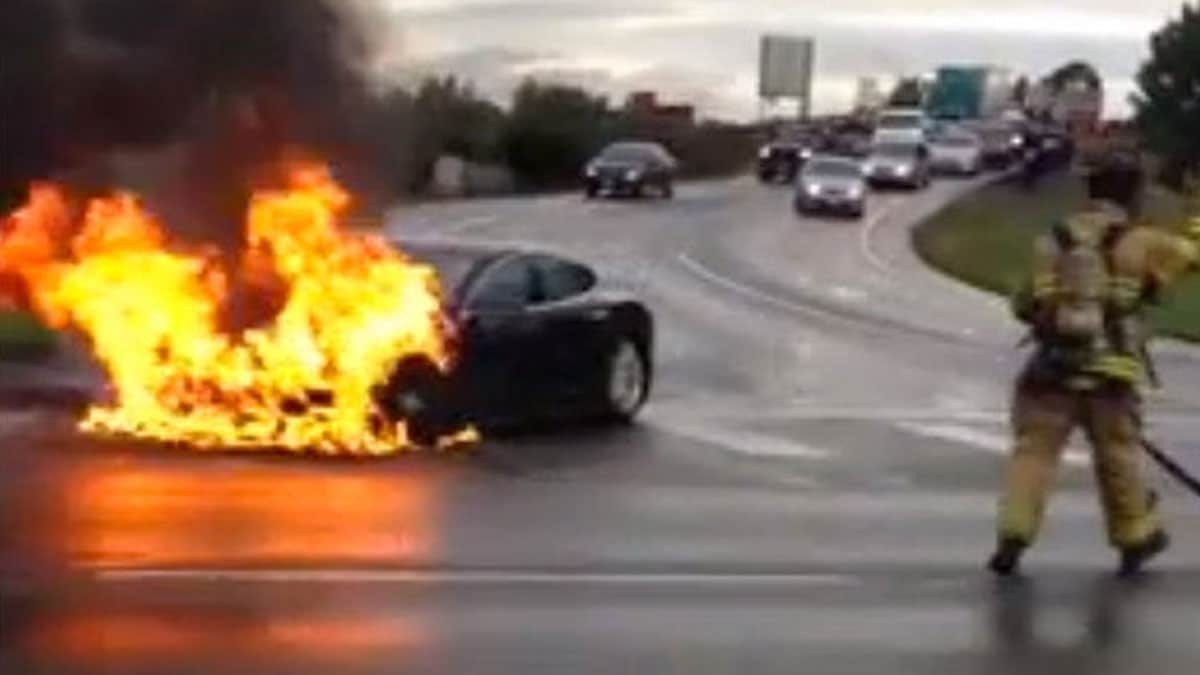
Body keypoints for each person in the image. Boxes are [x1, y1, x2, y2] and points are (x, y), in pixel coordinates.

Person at [989, 155, 1200, 577]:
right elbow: (1193, 256)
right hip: (1113, 374)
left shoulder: (1052, 241)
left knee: (1034, 454)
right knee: (1117, 456)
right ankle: (1134, 536)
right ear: (1134, 196)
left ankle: (1015, 532)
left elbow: (1024, 304)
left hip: (1051, 370)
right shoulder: (1144, 242)